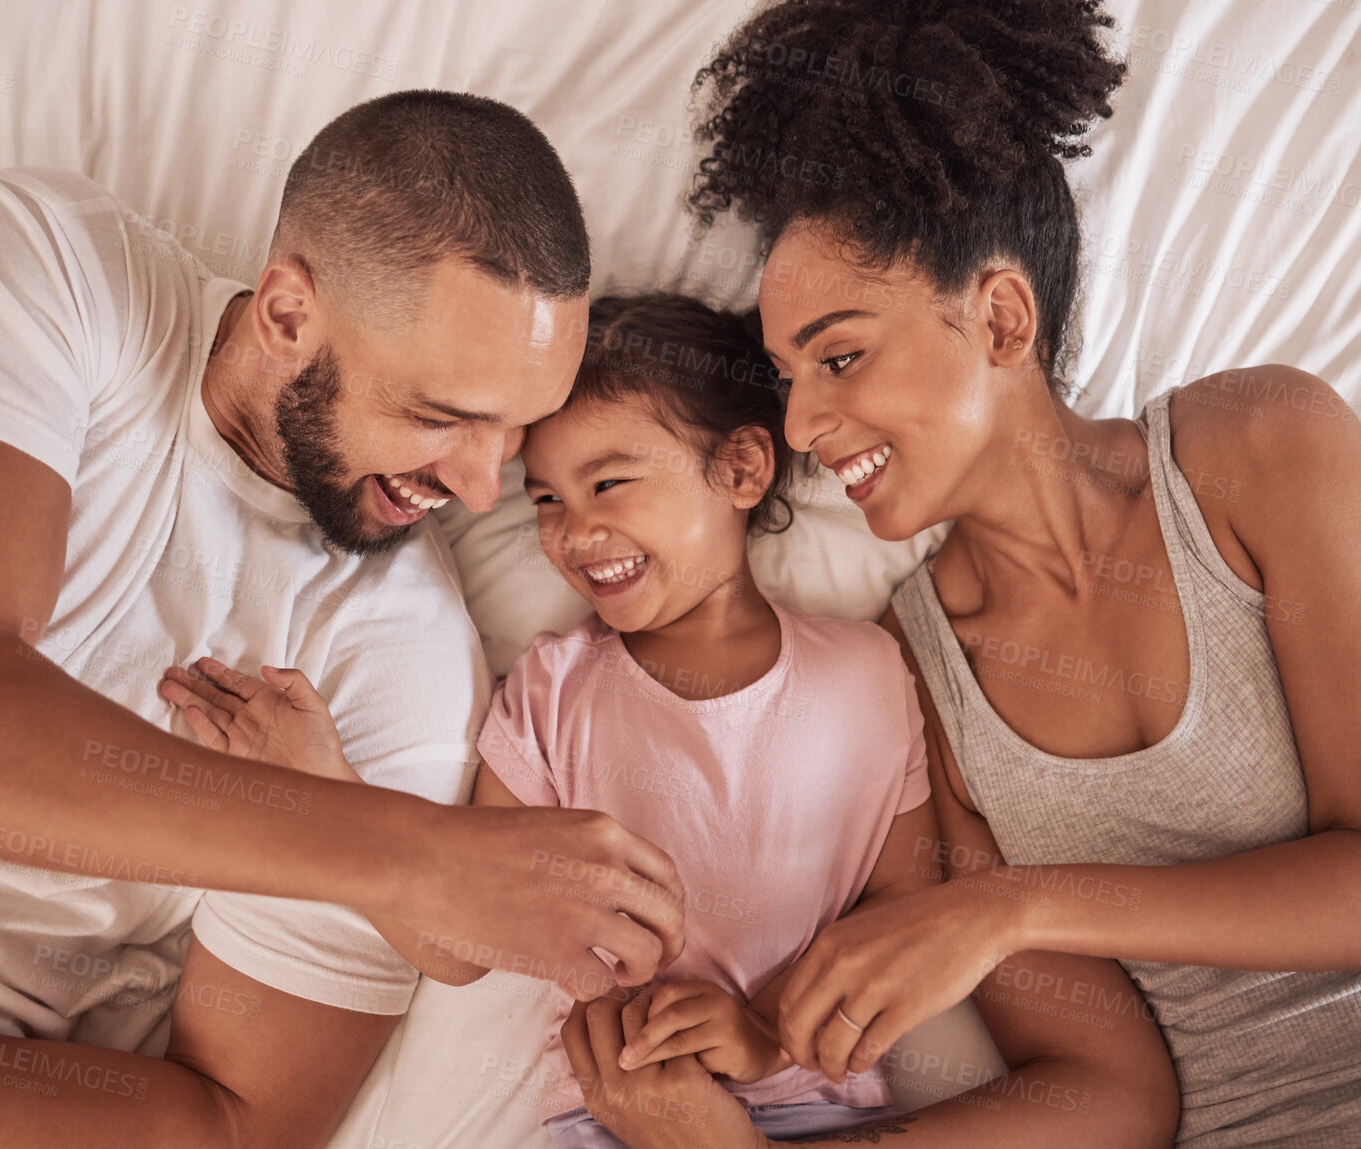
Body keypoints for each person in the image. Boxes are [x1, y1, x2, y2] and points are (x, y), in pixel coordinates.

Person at [646, 0, 1361, 1146]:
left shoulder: (1259, 449)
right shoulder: (920, 678)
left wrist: (1005, 907)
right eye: (788, 375)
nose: (802, 424)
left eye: (840, 356)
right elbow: (1108, 1098)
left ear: (1001, 316)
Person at [0, 90, 682, 1148]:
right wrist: (410, 857)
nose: (483, 489)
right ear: (287, 313)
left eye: (515, 429)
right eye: (439, 418)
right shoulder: (43, 267)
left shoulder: (406, 661)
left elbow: (233, 1131)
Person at [447, 294, 1178, 1146]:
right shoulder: (553, 683)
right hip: (606, 1111)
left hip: (814, 1111)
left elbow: (899, 900)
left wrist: (764, 1028)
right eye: (542, 500)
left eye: (608, 481)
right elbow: (468, 906)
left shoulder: (867, 675)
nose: (574, 530)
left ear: (742, 470)